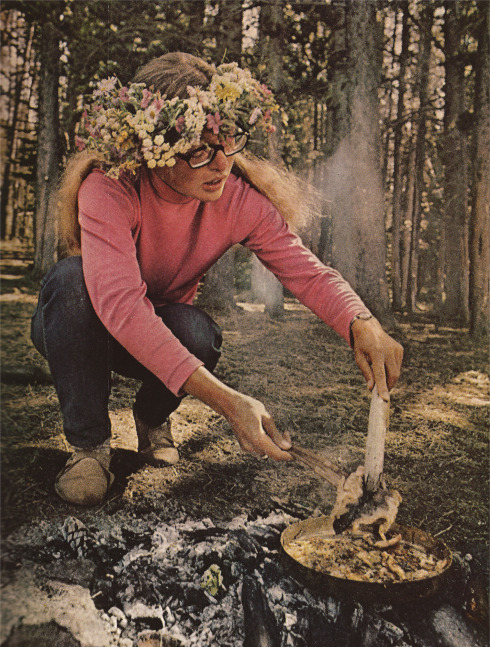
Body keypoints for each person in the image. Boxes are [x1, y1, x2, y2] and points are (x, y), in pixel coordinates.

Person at [31, 52, 403, 507]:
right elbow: (121, 308)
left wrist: (360, 322)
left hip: (161, 335)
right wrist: (230, 404)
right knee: (70, 281)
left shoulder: (235, 199)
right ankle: (88, 448)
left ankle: (151, 421)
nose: (222, 163)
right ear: (152, 147)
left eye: (228, 140)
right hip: (81, 329)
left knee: (198, 333)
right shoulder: (110, 186)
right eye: (199, 149)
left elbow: (305, 269)